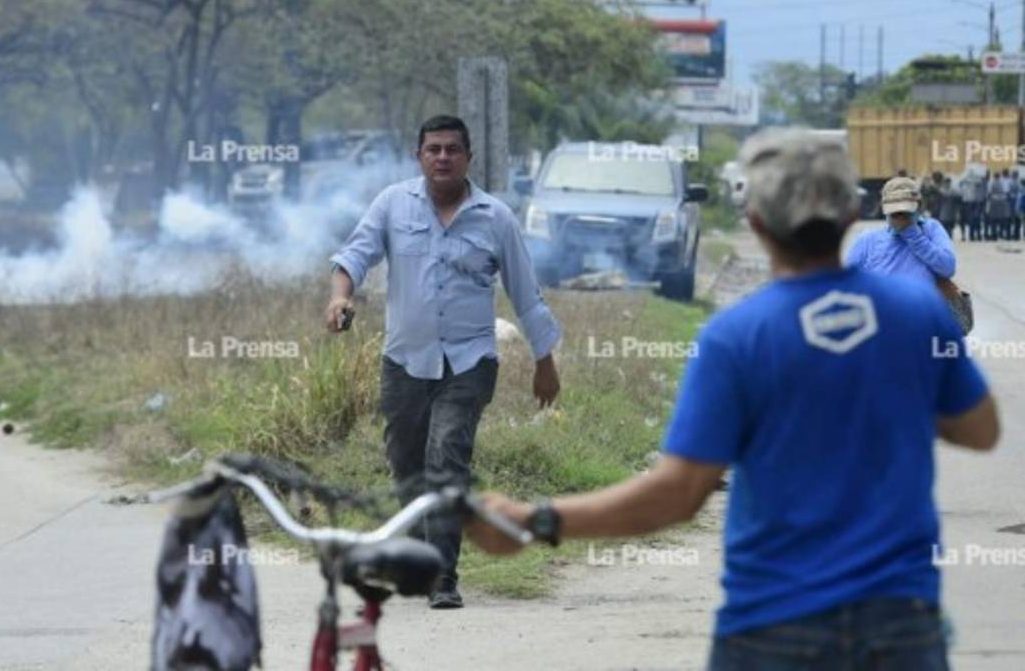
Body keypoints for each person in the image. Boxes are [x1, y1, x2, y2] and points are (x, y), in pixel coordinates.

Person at [465, 130, 999, 670]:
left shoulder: (736, 337)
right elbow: (981, 430)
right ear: (849, 215)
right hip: (899, 625)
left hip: (771, 623)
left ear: (756, 222)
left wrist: (536, 520)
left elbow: (677, 494)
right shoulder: (916, 314)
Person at [324, 114, 562, 609]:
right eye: (433, 149)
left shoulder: (496, 217)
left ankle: (442, 576)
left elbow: (527, 294)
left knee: (447, 457)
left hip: (469, 362)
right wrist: (340, 298)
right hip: (404, 361)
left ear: (468, 157)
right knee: (407, 465)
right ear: (419, 156)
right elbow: (354, 255)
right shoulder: (392, 204)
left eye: (453, 149)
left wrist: (545, 361)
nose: (443, 157)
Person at [846, 176, 956, 286]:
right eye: (894, 212)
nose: (900, 217)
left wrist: (914, 236)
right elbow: (847, 282)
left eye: (905, 212)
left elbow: (948, 268)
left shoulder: (931, 229)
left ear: (919, 206)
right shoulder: (868, 240)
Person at [986, 172, 1009, 242]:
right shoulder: (1003, 183)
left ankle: (994, 235)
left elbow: (989, 193)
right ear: (999, 176)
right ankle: (1001, 234)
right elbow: (1006, 192)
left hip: (994, 202)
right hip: (1002, 201)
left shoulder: (991, 183)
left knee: (993, 220)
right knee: (1002, 219)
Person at [937, 176, 960, 241]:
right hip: (950, 212)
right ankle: (949, 237)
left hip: (944, 213)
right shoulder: (953, 191)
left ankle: (947, 238)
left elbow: (938, 203)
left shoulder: (941, 191)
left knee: (946, 227)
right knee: (949, 227)